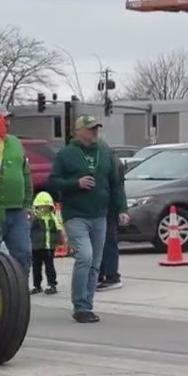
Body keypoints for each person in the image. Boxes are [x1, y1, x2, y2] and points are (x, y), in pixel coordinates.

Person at [48, 116, 128, 324]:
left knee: (95, 263)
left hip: (100, 215)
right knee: (85, 256)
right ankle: (79, 304)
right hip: (76, 216)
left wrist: (121, 208)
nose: (95, 132)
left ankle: (86, 305)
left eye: (96, 129)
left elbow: (116, 183)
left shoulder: (104, 152)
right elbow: (53, 182)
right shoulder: (66, 154)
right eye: (91, 129)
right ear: (79, 131)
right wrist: (76, 183)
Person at [0, 110, 33, 280]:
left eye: (8, 119)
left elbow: (25, 172)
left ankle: (21, 290)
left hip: (18, 211)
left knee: (23, 255)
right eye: (2, 119)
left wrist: (27, 203)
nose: (7, 123)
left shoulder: (16, 143)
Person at [96, 140, 126, 291]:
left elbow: (117, 188)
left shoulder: (108, 160)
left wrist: (121, 209)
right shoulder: (110, 158)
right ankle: (102, 275)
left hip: (108, 208)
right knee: (103, 242)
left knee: (107, 241)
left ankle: (111, 276)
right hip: (104, 207)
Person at [29, 191, 62, 295]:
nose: (43, 209)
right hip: (36, 248)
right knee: (36, 268)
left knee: (50, 267)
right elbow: (28, 228)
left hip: (49, 248)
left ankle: (52, 284)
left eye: (46, 207)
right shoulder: (34, 219)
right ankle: (37, 286)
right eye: (41, 207)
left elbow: (58, 230)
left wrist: (59, 241)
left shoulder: (53, 218)